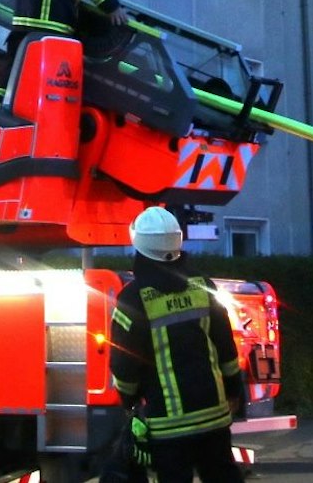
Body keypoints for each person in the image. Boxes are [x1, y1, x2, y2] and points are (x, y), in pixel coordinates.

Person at [108, 207, 246, 483]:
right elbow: (226, 349)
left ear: (139, 245)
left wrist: (129, 401)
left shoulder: (132, 299)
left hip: (168, 426)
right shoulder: (203, 287)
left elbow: (124, 366)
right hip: (214, 417)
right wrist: (234, 390)